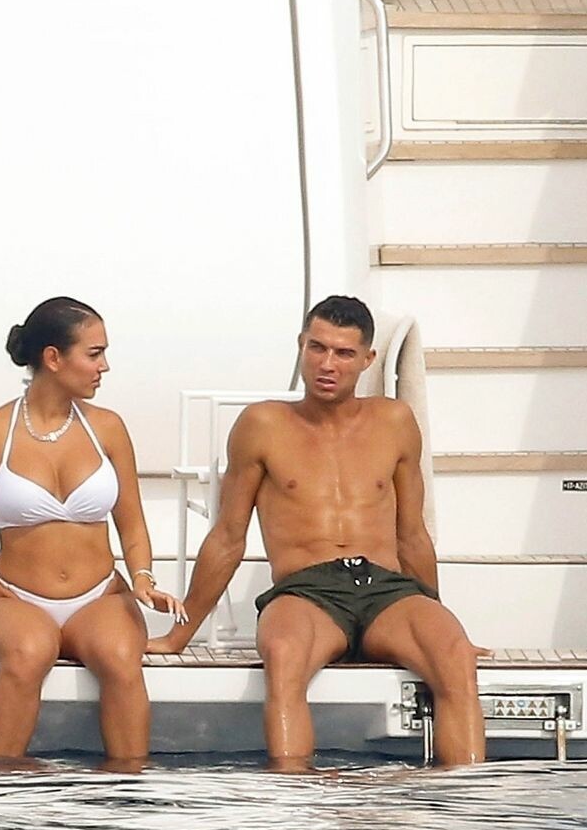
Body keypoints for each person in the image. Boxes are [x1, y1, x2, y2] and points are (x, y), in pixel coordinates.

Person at [146, 295, 487, 769]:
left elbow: (412, 534)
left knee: (454, 654)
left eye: (344, 353)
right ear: (300, 346)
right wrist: (178, 636)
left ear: (367, 359)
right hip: (307, 591)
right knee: (283, 655)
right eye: (317, 348)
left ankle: (462, 799)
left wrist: (436, 615)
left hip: (385, 588)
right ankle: (295, 797)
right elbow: (227, 537)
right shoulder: (263, 424)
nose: (328, 364)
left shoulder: (394, 421)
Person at [0, 296, 187, 766]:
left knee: (120, 656)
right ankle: (1, 786)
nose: (104, 366)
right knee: (29, 651)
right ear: (53, 358)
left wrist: (143, 579)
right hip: (13, 598)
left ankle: (129, 791)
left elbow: (132, 526)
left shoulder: (109, 429)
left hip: (100, 595)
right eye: (94, 353)